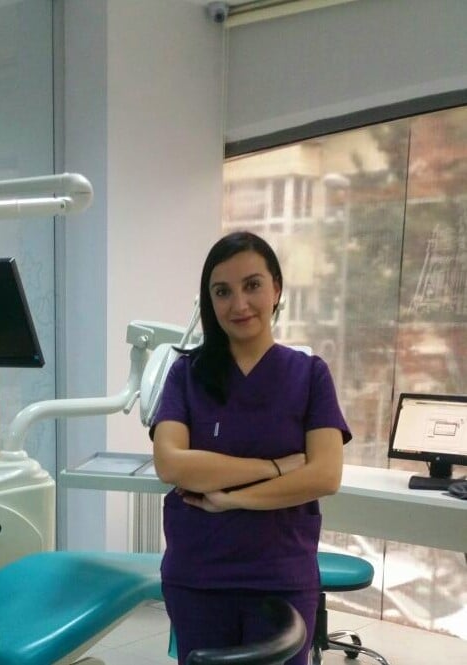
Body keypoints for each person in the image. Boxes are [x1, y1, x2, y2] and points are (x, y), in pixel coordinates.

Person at [151, 231, 350, 665]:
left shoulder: (310, 375)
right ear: (210, 301)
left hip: (279, 576)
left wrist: (231, 499)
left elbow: (324, 475)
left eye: (252, 285)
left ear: (276, 288)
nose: (238, 304)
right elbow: (170, 464)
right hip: (198, 576)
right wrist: (275, 467)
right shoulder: (186, 374)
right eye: (223, 292)